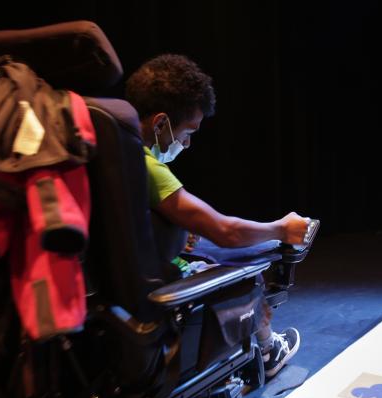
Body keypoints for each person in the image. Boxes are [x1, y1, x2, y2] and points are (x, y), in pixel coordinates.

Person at [125, 54, 308, 378]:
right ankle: (267, 352)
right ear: (160, 123)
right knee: (247, 268)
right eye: (187, 131)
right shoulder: (147, 167)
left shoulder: (112, 152)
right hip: (158, 288)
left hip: (126, 283)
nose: (188, 143)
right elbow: (226, 231)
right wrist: (282, 229)